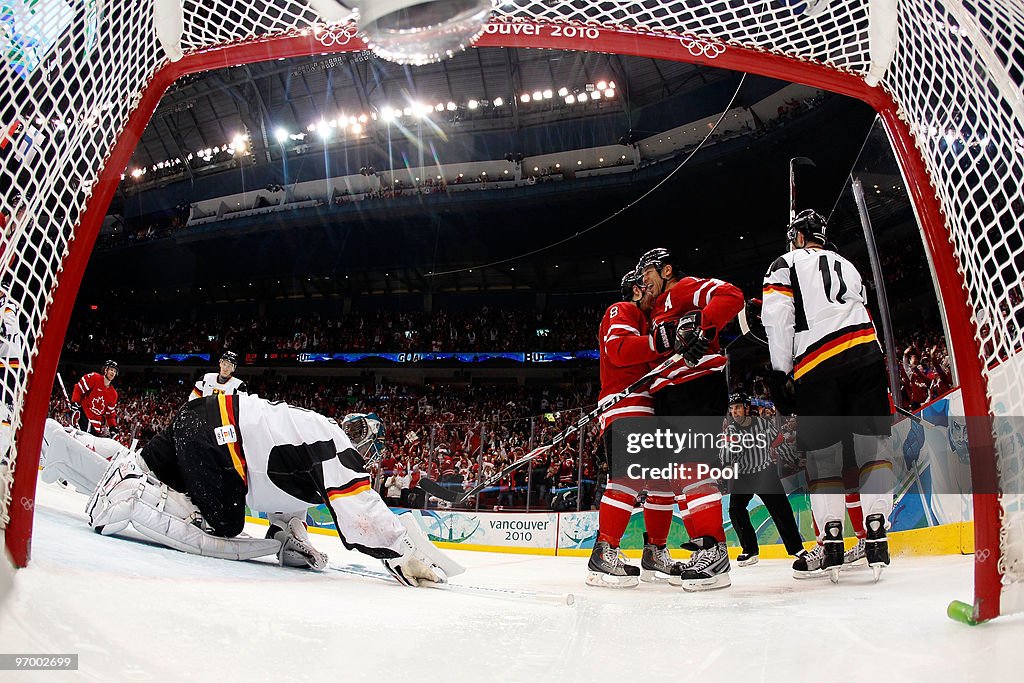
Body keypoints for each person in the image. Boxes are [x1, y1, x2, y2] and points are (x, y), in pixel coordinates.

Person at [38, 399, 461, 587]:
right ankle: (128, 494)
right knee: (224, 522)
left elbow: (285, 511)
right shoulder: (337, 446)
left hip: (203, 423)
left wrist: (292, 543)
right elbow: (363, 511)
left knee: (151, 470)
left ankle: (63, 444)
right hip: (217, 437)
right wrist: (402, 550)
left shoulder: (310, 442)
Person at [761, 209, 895, 581]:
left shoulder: (782, 264)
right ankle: (877, 530)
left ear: (799, 236)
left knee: (824, 459)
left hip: (818, 364)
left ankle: (833, 537)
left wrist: (780, 372)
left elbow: (777, 319)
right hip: (867, 354)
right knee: (873, 449)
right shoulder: (847, 265)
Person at [638, 247, 744, 591]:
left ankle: (716, 551)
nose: (644, 281)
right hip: (671, 395)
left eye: (648, 273)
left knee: (693, 468)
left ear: (666, 270)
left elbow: (731, 295)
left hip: (696, 385)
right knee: (681, 476)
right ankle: (704, 548)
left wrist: (703, 326)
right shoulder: (654, 314)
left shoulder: (683, 289)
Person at [588, 267, 686, 588]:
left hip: (649, 408)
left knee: (661, 484)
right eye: (646, 287)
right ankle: (605, 551)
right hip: (625, 406)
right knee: (627, 479)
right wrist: (659, 342)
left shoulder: (650, 321)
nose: (653, 292)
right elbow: (619, 351)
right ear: (634, 290)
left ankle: (655, 551)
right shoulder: (624, 309)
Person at [720, 392, 805, 566]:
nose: (734, 412)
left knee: (781, 510)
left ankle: (797, 548)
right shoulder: (730, 429)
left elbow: (780, 445)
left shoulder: (763, 424)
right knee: (736, 510)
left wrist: (796, 461)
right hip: (744, 475)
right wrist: (732, 448)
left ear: (746, 408)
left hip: (765, 473)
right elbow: (724, 458)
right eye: (732, 409)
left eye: (737, 408)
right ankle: (750, 550)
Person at [71, 359, 119, 436]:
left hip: (96, 425)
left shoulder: (113, 394)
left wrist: (112, 427)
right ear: (105, 370)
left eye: (115, 371)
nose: (113, 373)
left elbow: (110, 414)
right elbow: (79, 389)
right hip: (83, 415)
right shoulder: (94, 378)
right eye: (111, 370)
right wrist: (75, 402)